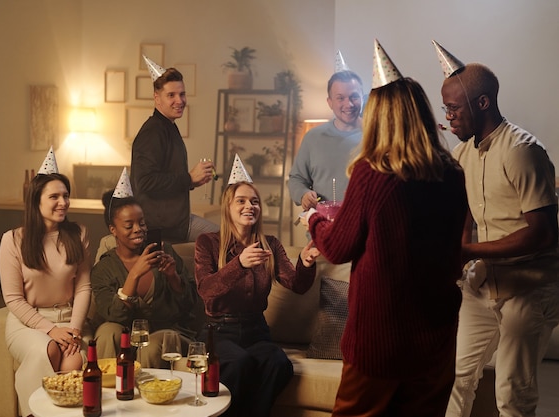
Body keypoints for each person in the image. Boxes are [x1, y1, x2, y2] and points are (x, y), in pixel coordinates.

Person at [305, 40, 468, 416]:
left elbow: (339, 248)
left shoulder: (373, 174)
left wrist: (315, 220)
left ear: (380, 118)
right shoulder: (453, 174)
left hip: (381, 342)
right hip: (437, 338)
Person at [433, 41, 559, 417]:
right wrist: (460, 260)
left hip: (532, 286)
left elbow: (542, 233)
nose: (449, 117)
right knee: (454, 378)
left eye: (454, 109)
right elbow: (465, 215)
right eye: (446, 109)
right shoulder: (462, 154)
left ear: (482, 103)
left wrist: (468, 252)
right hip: (483, 282)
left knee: (511, 394)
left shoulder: (523, 151)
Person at [194, 154, 320, 417]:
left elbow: (296, 284)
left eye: (254, 201)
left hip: (256, 331)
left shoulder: (270, 244)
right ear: (227, 207)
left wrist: (306, 264)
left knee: (278, 364)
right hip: (219, 332)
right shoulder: (208, 243)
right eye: (241, 201)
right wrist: (238, 264)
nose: (249, 206)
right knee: (239, 364)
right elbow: (206, 290)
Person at [0, 148, 92, 417]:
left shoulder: (79, 234)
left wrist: (74, 328)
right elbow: (13, 300)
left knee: (74, 362)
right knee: (46, 350)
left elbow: (83, 287)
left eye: (65, 196)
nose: (63, 202)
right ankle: (32, 413)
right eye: (54, 196)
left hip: (68, 319)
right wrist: (50, 330)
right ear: (36, 201)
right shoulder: (12, 240)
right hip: (28, 322)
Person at [91, 168, 198, 365]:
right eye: (129, 225)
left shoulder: (164, 251)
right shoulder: (104, 268)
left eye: (141, 222)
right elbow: (113, 315)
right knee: (107, 332)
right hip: (125, 333)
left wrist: (173, 277)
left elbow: (189, 306)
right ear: (113, 230)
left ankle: (150, 393)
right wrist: (134, 275)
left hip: (165, 331)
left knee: (151, 345)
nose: (138, 229)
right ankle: (106, 390)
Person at [130, 56, 219, 243]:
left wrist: (193, 181)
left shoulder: (169, 126)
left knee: (228, 240)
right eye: (171, 95)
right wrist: (188, 178)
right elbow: (145, 182)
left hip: (178, 221)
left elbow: (165, 177)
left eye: (182, 94)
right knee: (227, 240)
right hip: (163, 228)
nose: (179, 101)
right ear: (157, 98)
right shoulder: (152, 132)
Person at [288, 52, 364, 211]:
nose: (348, 104)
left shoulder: (377, 136)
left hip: (365, 230)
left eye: (354, 97)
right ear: (329, 102)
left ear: (362, 98)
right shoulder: (313, 138)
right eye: (340, 98)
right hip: (323, 229)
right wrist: (303, 194)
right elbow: (296, 179)